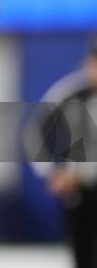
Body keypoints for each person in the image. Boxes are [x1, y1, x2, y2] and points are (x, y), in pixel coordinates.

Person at [31, 35, 97, 268]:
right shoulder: (69, 93)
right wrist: (51, 172)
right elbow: (35, 132)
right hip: (79, 187)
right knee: (83, 253)